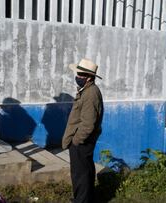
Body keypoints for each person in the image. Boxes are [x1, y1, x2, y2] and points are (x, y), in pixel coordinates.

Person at [62, 58, 104, 203]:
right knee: (83, 172)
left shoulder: (91, 94)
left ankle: (81, 200)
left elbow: (88, 124)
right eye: (78, 74)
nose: (78, 77)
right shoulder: (87, 90)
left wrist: (76, 141)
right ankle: (83, 198)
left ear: (89, 78)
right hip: (81, 141)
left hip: (82, 141)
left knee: (81, 174)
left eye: (81, 75)